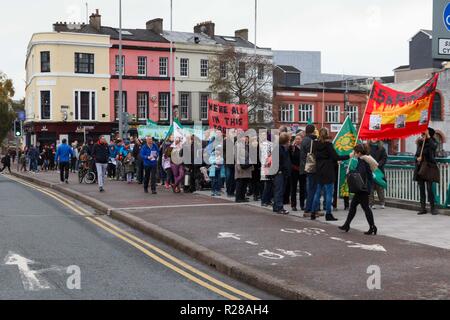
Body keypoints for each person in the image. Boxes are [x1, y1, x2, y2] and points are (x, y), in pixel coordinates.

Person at [311, 128, 350, 221]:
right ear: (327, 134)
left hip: (319, 169)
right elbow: (336, 157)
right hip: (328, 170)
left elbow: (314, 155)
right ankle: (328, 214)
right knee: (329, 193)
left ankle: (313, 212)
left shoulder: (315, 144)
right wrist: (349, 155)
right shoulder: (328, 145)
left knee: (317, 193)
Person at [339, 144, 378, 235]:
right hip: (363, 187)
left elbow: (361, 173)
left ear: (359, 153)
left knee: (365, 208)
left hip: (362, 188)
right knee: (354, 206)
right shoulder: (364, 159)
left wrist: (350, 171)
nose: (353, 154)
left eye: (354, 152)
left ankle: (372, 227)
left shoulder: (362, 160)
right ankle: (347, 224)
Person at [415, 128, 439, 215]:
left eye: (424, 134)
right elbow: (416, 154)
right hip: (420, 168)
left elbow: (434, 147)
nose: (423, 135)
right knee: (421, 189)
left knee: (429, 189)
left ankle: (433, 208)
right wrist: (417, 158)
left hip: (429, 168)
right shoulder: (420, 143)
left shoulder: (432, 142)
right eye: (423, 134)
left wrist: (428, 136)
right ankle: (423, 208)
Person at [300, 125, 317, 217]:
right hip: (310, 167)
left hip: (306, 166)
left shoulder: (305, 140)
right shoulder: (310, 141)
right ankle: (309, 209)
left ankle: (312, 208)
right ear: (313, 131)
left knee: (311, 188)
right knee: (312, 188)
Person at [273, 133, 291, 215]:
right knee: (279, 190)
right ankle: (279, 207)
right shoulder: (279, 149)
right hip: (280, 173)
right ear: (286, 141)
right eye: (289, 140)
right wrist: (279, 170)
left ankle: (276, 206)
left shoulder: (284, 148)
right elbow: (277, 161)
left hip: (283, 172)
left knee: (280, 190)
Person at [368, 140, 387, 209]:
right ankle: (371, 203)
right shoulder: (367, 147)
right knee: (371, 188)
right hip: (370, 170)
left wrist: (379, 164)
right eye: (372, 137)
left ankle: (382, 202)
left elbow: (384, 158)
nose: (374, 139)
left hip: (379, 170)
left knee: (380, 186)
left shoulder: (381, 148)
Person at [290, 134, 306, 212]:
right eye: (296, 139)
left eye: (299, 139)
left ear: (302, 140)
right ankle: (293, 205)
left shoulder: (304, 148)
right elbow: (289, 159)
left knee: (302, 188)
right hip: (294, 170)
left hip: (302, 170)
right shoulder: (292, 148)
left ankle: (302, 205)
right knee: (293, 188)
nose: (297, 140)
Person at [235, 136, 254, 203]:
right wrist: (238, 166)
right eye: (244, 137)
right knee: (240, 182)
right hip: (241, 166)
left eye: (246, 138)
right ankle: (238, 197)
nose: (245, 139)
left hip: (247, 167)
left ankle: (242, 197)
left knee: (245, 183)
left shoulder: (247, 145)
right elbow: (236, 156)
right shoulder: (238, 145)